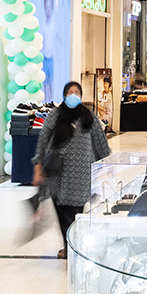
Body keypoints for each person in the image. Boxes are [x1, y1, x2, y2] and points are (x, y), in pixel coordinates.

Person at [32, 81, 112, 259]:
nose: (73, 95)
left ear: (81, 96)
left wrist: (107, 165)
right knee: (61, 213)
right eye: (69, 92)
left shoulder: (88, 117)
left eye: (76, 92)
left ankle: (73, 246)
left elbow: (100, 143)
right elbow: (43, 141)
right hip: (57, 174)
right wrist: (37, 167)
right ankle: (69, 245)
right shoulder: (55, 115)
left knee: (75, 213)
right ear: (64, 95)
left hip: (81, 174)